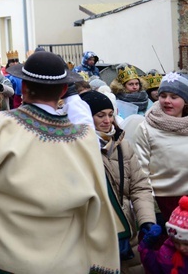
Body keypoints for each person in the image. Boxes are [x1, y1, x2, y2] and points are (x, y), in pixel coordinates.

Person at [0, 51, 120, 273]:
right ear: (63, 90)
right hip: (65, 262)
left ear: (23, 87)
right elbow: (99, 205)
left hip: (0, 258)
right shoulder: (85, 138)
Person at [80, 90, 156, 273]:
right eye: (100, 115)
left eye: (110, 114)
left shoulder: (122, 145)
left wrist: (146, 220)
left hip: (129, 231)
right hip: (95, 235)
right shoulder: (77, 148)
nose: (107, 120)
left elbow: (139, 186)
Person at [132, 72, 188, 224]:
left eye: (174, 97)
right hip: (161, 203)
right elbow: (140, 171)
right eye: (163, 95)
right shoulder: (146, 128)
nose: (167, 101)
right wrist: (150, 208)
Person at [139, 196, 188, 274]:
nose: (181, 248)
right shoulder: (166, 252)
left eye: (186, 244)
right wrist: (146, 246)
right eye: (176, 242)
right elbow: (154, 268)